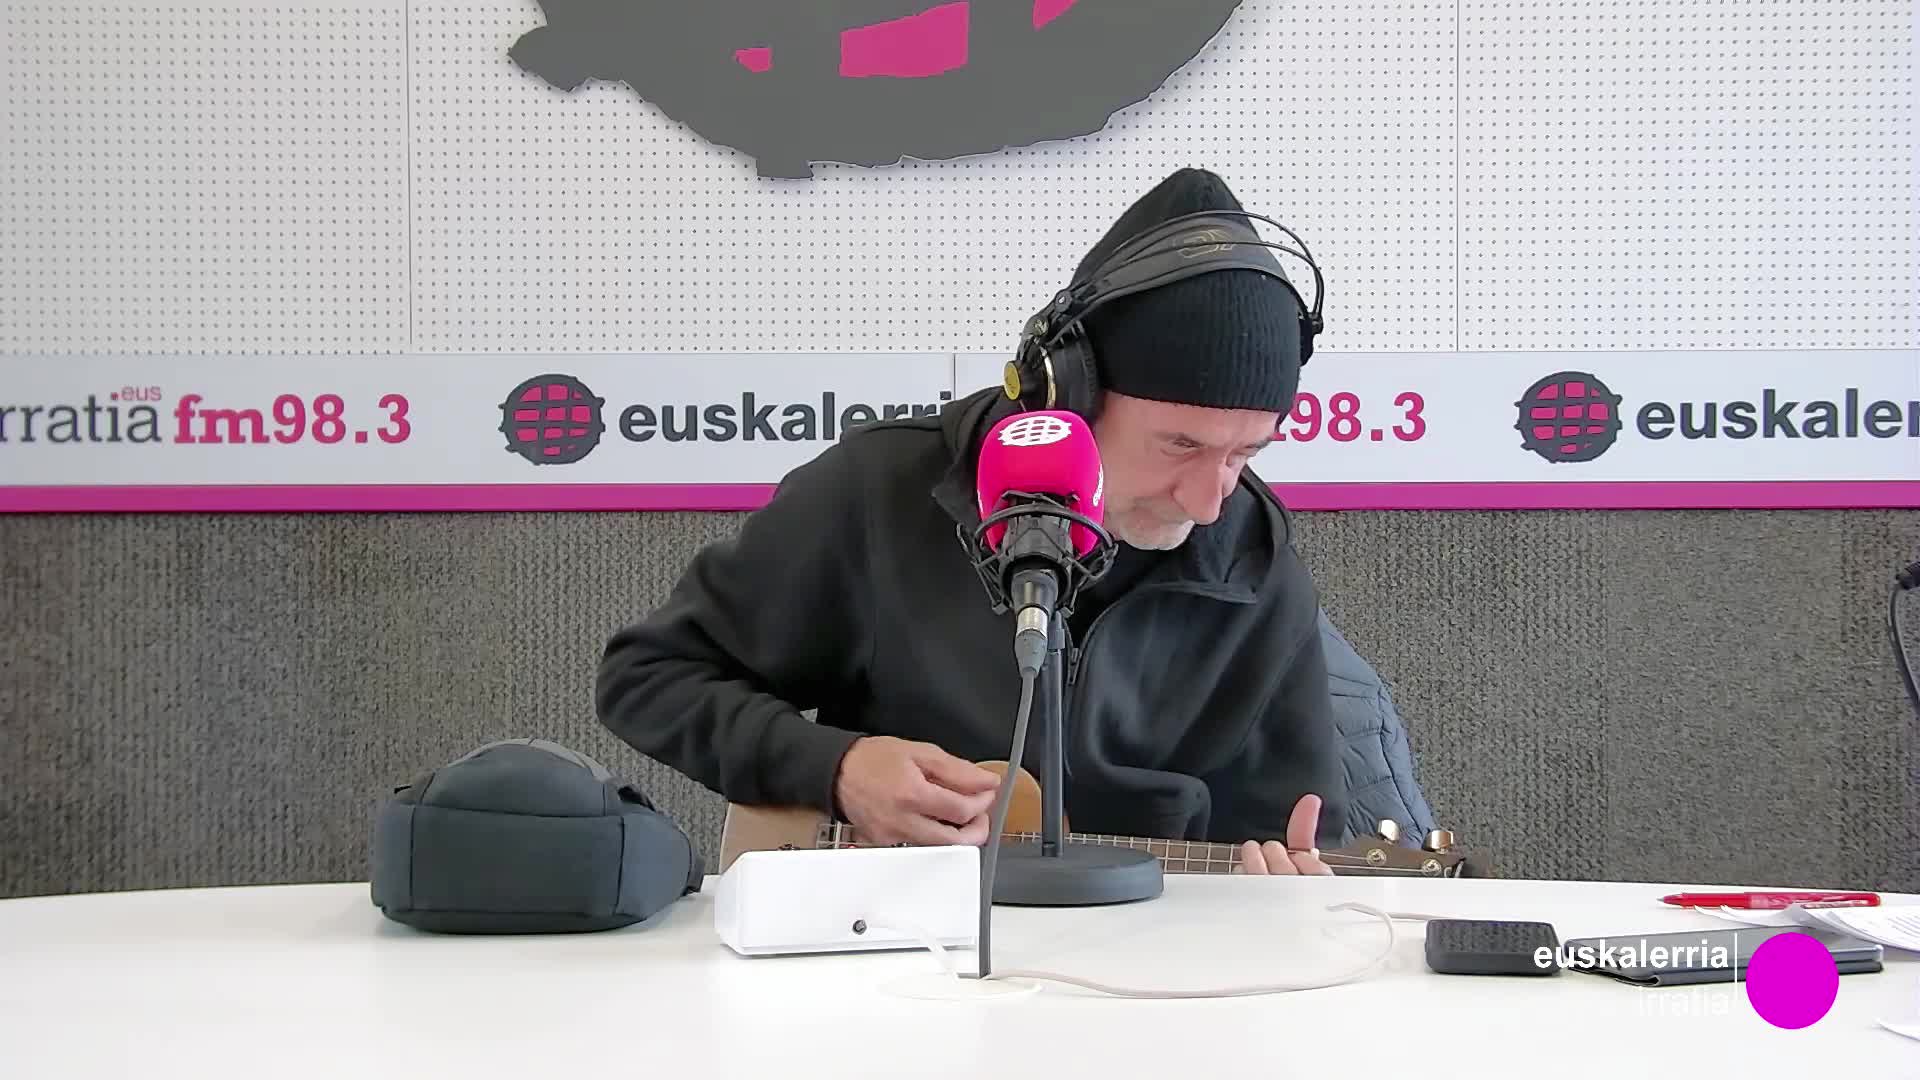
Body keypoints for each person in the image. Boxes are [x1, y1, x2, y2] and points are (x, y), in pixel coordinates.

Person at [597, 167, 1343, 876]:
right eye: (1180, 445)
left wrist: (1288, 886)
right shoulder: (881, 491)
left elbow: (1297, 834)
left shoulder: (1254, 557)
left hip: (1151, 943)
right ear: (1067, 395)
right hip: (891, 937)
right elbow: (649, 678)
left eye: (1245, 454)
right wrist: (835, 768)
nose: (1208, 502)